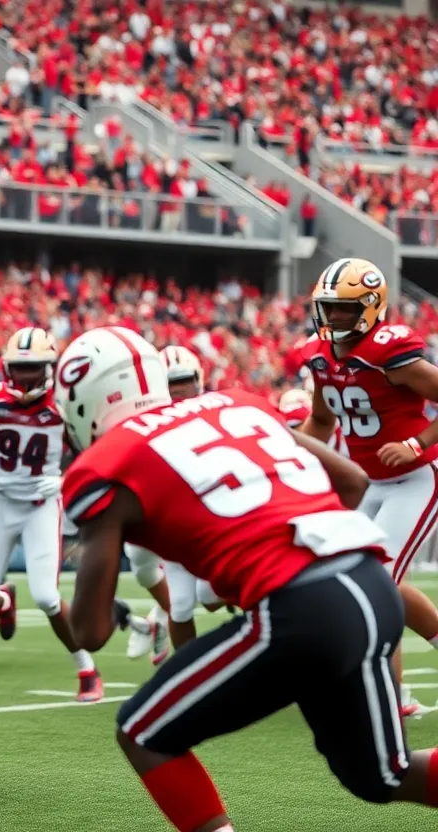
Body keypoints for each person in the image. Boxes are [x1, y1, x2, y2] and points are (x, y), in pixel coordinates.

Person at [59, 325, 438, 831]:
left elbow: (90, 632)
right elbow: (350, 480)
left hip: (303, 608)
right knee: (381, 775)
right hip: (372, 582)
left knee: (141, 730)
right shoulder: (237, 403)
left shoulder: (105, 462)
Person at [299, 258, 438, 715]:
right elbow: (320, 421)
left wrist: (417, 443)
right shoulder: (321, 356)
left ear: (370, 307)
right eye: (328, 308)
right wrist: (285, 458)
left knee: (378, 581)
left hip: (414, 480)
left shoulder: (389, 354)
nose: (332, 318)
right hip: (370, 486)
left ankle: (389, 698)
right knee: (348, 575)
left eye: (342, 309)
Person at [0, 327, 102, 702]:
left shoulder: (65, 407)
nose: (25, 376)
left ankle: (87, 668)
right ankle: (5, 601)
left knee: (47, 596)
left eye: (34, 367)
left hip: (40, 507)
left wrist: (66, 480)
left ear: (50, 367)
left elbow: (93, 453)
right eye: (19, 368)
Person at [124, 346, 219, 660]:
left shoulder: (213, 414)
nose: (177, 390)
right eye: (169, 382)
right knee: (176, 601)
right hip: (170, 519)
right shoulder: (144, 421)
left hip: (213, 518)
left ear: (198, 380)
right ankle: (188, 670)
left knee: (209, 595)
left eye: (183, 381)